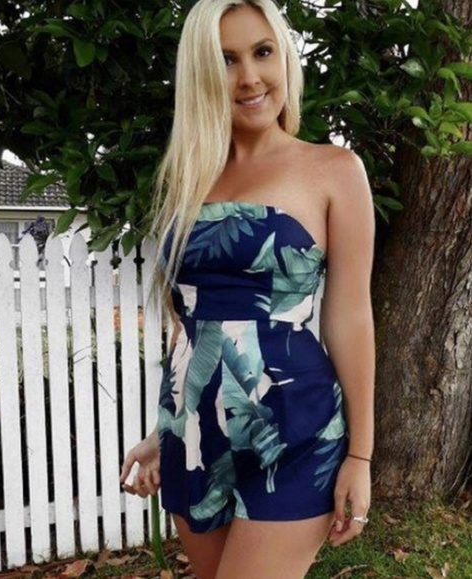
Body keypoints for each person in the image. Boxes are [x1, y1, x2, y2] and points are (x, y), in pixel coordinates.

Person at [120, 0, 375, 577]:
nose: (249, 77)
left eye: (262, 52)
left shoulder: (334, 170)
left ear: (285, 57)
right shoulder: (187, 177)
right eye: (226, 60)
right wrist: (163, 430)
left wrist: (360, 455)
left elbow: (350, 318)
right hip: (192, 435)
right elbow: (191, 322)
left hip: (293, 431)